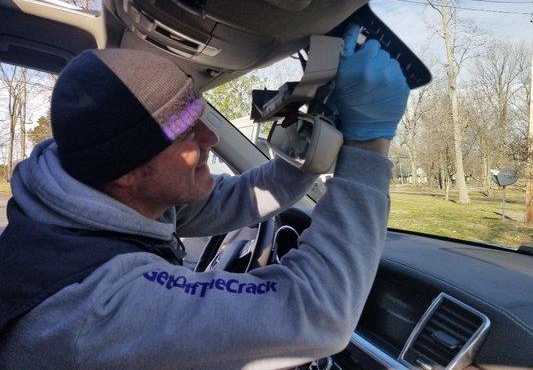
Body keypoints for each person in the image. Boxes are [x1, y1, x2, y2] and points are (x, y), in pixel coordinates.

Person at [0, 24, 409, 369]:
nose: (211, 138)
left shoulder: (98, 200)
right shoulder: (94, 308)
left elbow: (236, 198)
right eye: (186, 132)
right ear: (127, 171)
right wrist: (368, 143)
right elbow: (317, 312)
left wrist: (318, 133)